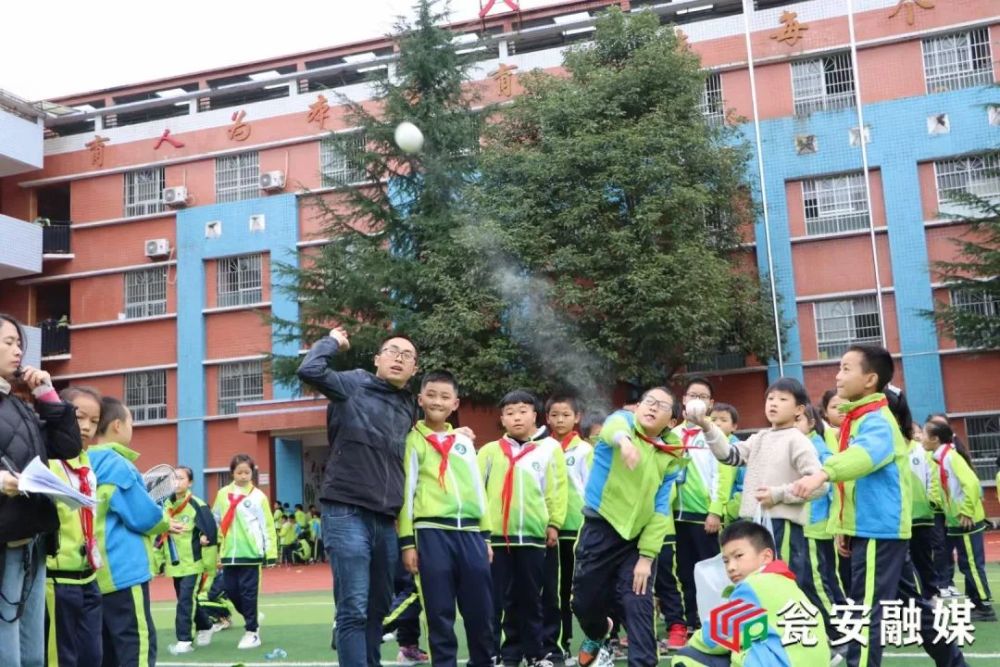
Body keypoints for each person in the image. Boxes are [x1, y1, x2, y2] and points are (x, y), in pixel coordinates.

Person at [792, 344, 968, 667]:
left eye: (846, 369)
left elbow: (862, 459)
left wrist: (822, 474)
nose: (838, 375)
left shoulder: (876, 421)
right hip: (873, 529)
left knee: (866, 612)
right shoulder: (859, 418)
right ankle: (955, 663)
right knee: (909, 607)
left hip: (878, 531)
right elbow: (856, 485)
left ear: (870, 379)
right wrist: (844, 527)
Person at [297, 327, 419, 666]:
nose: (399, 358)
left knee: (378, 607)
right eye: (392, 351)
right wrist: (333, 340)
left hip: (385, 518)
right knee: (353, 606)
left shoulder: (409, 406)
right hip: (346, 509)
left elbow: (421, 445)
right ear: (377, 359)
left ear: (414, 370)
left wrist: (457, 433)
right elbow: (310, 370)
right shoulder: (353, 383)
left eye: (407, 356)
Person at [689, 379, 829, 631]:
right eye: (770, 398)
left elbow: (820, 484)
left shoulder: (797, 440)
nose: (773, 403)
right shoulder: (761, 437)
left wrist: (778, 494)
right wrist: (706, 425)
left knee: (786, 584)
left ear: (799, 409)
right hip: (757, 524)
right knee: (762, 585)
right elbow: (729, 455)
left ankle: (819, 639)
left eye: (782, 399)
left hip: (783, 524)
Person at [572, 387, 684, 667]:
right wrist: (625, 443)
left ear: (671, 421)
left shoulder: (671, 455)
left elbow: (660, 510)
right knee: (584, 603)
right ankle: (599, 632)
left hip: (636, 542)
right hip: (600, 531)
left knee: (638, 607)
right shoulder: (620, 423)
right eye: (649, 401)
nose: (652, 407)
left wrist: (646, 557)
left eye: (662, 406)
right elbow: (615, 427)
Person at [0, 314, 82, 667]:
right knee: (7, 649)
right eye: (8, 343)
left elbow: (67, 447)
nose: (18, 351)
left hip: (31, 536)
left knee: (32, 653)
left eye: (19, 343)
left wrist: (47, 394)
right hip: (5, 540)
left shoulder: (18, 403)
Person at [399, 370, 493, 667]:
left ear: (455, 403)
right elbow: (407, 491)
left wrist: (486, 535)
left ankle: (482, 662)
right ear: (420, 399)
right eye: (431, 395)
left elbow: (479, 490)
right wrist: (407, 542)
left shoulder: (463, 442)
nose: (437, 401)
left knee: (481, 610)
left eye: (445, 396)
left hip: (470, 534)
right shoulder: (413, 440)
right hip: (431, 533)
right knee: (439, 612)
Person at [478, 389, 566, 667]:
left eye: (522, 411)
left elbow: (556, 489)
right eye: (510, 412)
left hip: (532, 536)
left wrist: (553, 523)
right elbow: (477, 491)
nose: (517, 417)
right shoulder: (490, 452)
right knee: (499, 600)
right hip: (496, 539)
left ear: (534, 416)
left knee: (533, 598)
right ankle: (505, 652)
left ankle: (536, 653)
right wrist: (480, 532)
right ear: (502, 419)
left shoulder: (549, 449)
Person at [672, 521, 831, 666]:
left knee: (686, 657)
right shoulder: (787, 584)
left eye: (738, 556)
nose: (731, 567)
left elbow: (715, 635)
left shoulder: (754, 585)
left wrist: (693, 642)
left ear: (766, 556)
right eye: (726, 561)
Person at [89, 396, 173, 667]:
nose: (132, 428)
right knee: (135, 645)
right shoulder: (118, 465)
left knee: (104, 650)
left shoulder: (83, 462)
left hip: (93, 572)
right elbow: (143, 516)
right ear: (117, 425)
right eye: (131, 422)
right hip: (124, 572)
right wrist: (165, 522)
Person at [43, 386, 103, 667]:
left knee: (92, 656)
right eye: (79, 418)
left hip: (89, 577)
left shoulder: (86, 462)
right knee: (61, 657)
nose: (87, 427)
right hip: (58, 579)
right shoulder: (49, 461)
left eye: (94, 421)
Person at [923, 420, 995, 622]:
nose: (922, 439)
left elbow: (971, 483)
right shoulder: (941, 457)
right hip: (955, 521)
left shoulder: (950, 457)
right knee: (966, 563)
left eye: (925, 434)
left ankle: (984, 605)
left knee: (971, 563)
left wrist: (966, 512)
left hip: (966, 521)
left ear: (935, 439)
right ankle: (976, 602)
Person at [672, 377, 728, 635]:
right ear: (683, 400)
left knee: (710, 570)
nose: (697, 399)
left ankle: (714, 620)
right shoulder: (671, 434)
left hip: (703, 517)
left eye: (703, 396)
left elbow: (722, 473)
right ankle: (692, 620)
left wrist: (715, 510)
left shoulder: (713, 434)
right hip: (674, 517)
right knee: (684, 571)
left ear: (711, 403)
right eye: (692, 395)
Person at [212, 453, 277, 650]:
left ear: (252, 473)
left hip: (250, 553)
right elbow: (215, 518)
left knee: (249, 594)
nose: (243, 476)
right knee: (231, 591)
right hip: (229, 553)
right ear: (232, 473)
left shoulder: (258, 496)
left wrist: (270, 552)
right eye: (239, 472)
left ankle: (252, 632)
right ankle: (253, 615)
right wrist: (211, 538)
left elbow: (267, 525)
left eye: (247, 472)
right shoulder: (223, 493)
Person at [544, 393, 591, 661]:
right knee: (556, 591)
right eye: (554, 415)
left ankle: (596, 642)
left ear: (577, 417)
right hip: (552, 532)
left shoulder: (584, 450)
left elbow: (593, 491)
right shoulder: (542, 448)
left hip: (579, 530)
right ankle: (561, 644)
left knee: (581, 590)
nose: (560, 420)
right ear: (547, 417)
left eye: (565, 415)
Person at [796, 404, 847, 645]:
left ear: (811, 423)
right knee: (825, 578)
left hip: (815, 525)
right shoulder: (803, 444)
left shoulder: (815, 447)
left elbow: (833, 485)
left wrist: (837, 524)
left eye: (798, 419)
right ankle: (842, 624)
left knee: (816, 579)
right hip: (809, 525)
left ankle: (837, 630)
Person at [164, 466, 219, 655]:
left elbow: (211, 533)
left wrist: (209, 568)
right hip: (175, 565)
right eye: (173, 478)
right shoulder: (165, 505)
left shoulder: (197, 504)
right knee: (187, 599)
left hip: (194, 564)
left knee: (185, 602)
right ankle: (206, 625)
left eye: (180, 478)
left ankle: (184, 640)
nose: (176, 482)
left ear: (190, 482)